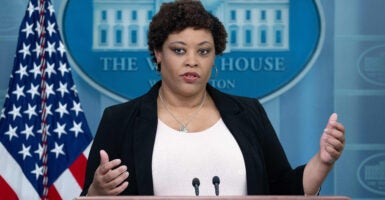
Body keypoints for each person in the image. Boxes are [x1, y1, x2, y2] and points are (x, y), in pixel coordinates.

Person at [81, 0, 345, 196]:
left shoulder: (248, 112)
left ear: (214, 56)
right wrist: (97, 191)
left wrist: (322, 161)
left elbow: (284, 191)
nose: (192, 61)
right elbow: (88, 197)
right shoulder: (120, 120)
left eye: (204, 51)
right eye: (179, 50)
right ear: (158, 53)